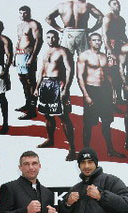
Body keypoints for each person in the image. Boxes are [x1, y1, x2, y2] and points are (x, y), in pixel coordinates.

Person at [77, 33, 125, 158]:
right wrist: (86, 95)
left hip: (104, 91)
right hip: (91, 89)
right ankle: (85, 151)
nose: (97, 42)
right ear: (90, 41)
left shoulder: (104, 56)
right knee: (88, 123)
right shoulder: (84, 56)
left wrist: (113, 91)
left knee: (106, 122)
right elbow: (80, 77)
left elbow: (108, 75)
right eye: (94, 40)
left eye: (99, 40)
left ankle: (110, 149)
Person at [34, 30, 76, 161]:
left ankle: (72, 149)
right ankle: (50, 140)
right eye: (48, 37)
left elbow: (70, 70)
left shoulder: (64, 51)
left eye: (53, 37)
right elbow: (42, 70)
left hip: (58, 84)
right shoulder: (46, 52)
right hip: (45, 85)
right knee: (47, 115)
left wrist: (66, 89)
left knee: (64, 117)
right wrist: (37, 87)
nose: (51, 40)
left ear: (58, 38)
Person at [14, 6, 43, 120]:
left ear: (29, 13)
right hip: (19, 55)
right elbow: (19, 42)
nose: (23, 16)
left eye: (25, 13)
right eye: (21, 13)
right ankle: (27, 104)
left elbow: (39, 41)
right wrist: (14, 56)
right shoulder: (20, 26)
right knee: (23, 81)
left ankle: (32, 110)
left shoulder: (34, 24)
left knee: (30, 82)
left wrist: (32, 57)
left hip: (28, 55)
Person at [102, 0, 127, 106]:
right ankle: (112, 99)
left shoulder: (121, 19)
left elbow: (123, 34)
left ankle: (119, 97)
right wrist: (110, 50)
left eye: (118, 4)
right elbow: (104, 34)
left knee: (120, 71)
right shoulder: (108, 17)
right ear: (110, 6)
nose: (117, 6)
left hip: (120, 46)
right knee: (111, 73)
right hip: (111, 46)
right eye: (114, 4)